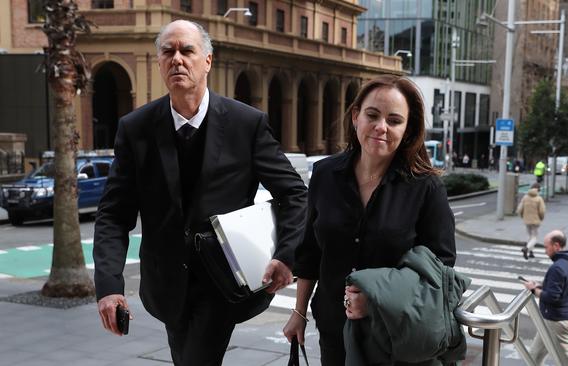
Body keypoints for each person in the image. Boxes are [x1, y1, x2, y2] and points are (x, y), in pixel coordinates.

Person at [92, 20, 307, 365]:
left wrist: (285, 254)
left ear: (207, 60)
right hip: (167, 284)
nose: (177, 59)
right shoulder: (136, 129)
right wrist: (109, 285)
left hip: (225, 281)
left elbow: (295, 194)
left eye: (187, 50)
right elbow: (114, 215)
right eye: (168, 51)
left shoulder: (245, 124)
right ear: (160, 62)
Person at [282, 75, 457, 365]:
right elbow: (310, 252)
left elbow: (441, 266)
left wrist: (377, 298)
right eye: (372, 115)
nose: (381, 127)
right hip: (333, 328)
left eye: (394, 120)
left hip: (394, 334)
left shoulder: (426, 187)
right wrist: (298, 313)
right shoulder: (325, 175)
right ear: (355, 117)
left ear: (408, 129)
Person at [523, 230, 568, 366]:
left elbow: (553, 297)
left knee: (566, 361)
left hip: (556, 322)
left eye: (546, 247)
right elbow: (560, 287)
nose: (545, 251)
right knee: (534, 357)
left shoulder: (557, 267)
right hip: (554, 320)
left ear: (556, 246)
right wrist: (540, 285)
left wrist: (533, 290)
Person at [516, 182, 546, 260]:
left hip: (527, 220)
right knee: (534, 237)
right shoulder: (539, 198)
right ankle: (527, 248)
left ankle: (531, 252)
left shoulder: (525, 197)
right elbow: (542, 211)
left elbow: (519, 209)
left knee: (529, 235)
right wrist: (541, 218)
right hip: (535, 221)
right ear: (538, 189)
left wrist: (523, 216)